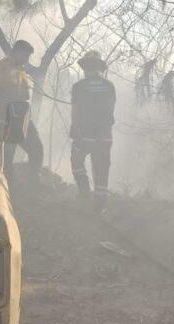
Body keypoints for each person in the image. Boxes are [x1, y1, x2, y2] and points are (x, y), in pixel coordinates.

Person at [0, 40, 44, 185]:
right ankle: (10, 188)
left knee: (36, 148)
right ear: (16, 52)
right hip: (4, 120)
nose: (27, 60)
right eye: (25, 56)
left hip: (20, 118)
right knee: (6, 158)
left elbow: (25, 95)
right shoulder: (0, 67)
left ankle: (34, 183)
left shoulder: (21, 71)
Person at [70, 50, 116, 213]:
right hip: (105, 136)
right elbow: (110, 110)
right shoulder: (109, 86)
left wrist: (74, 128)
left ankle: (84, 191)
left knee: (76, 160)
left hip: (85, 135)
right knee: (101, 169)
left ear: (86, 68)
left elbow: (75, 110)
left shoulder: (78, 87)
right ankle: (100, 206)